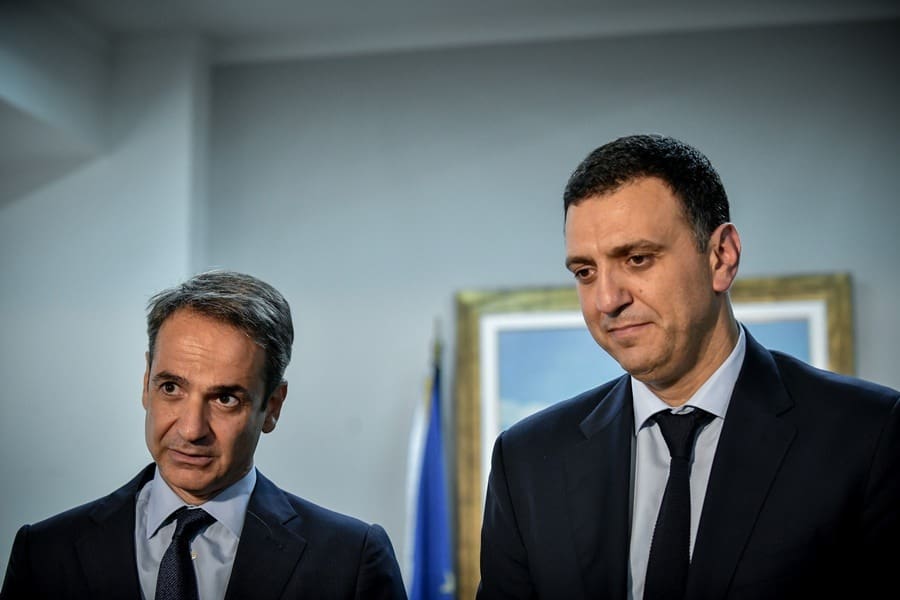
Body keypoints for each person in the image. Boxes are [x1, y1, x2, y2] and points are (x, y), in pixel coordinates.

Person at [477, 134, 900, 599]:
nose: (607, 300)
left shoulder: (869, 436)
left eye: (637, 259)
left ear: (721, 257)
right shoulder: (526, 461)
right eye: (585, 272)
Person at [1, 270, 407, 599]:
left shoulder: (350, 560)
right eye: (171, 388)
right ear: (145, 384)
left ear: (273, 406)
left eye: (225, 399)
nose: (191, 429)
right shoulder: (45, 553)